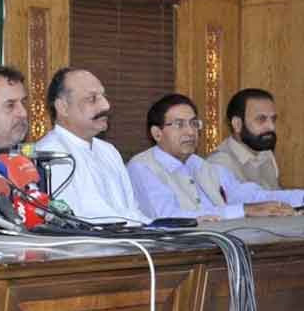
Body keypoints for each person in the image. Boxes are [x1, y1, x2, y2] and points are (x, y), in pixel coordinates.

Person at [127, 93, 303, 221]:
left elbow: (250, 195)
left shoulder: (203, 166)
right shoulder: (142, 167)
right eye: (179, 124)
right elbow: (166, 217)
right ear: (157, 133)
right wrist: (243, 211)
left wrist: (300, 198)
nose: (190, 131)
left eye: (194, 123)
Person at [35, 68, 150, 224]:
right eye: (92, 99)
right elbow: (81, 220)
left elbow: (132, 211)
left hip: (128, 237)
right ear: (63, 107)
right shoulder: (50, 154)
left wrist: (159, 229)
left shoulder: (109, 150)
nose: (106, 106)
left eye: (104, 96)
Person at [207, 88, 280, 189]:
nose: (272, 127)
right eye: (261, 119)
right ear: (237, 124)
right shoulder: (219, 165)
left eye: (273, 119)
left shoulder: (266, 154)